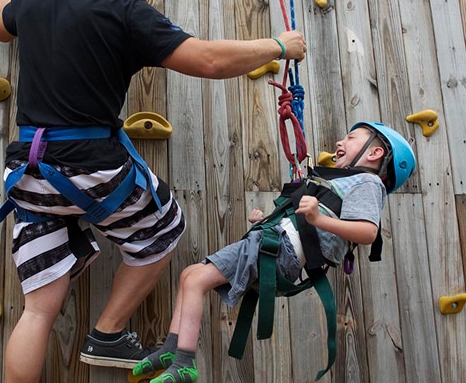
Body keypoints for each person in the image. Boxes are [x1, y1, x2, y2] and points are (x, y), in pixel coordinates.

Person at [0, 0, 307, 383]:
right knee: (166, 227)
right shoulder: (125, 13)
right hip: (91, 166)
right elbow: (210, 59)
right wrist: (279, 45)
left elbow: (0, 26)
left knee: (37, 310)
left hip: (29, 174)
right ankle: (108, 332)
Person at [132, 122, 416, 383]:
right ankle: (171, 349)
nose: (340, 143)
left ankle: (184, 363)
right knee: (188, 275)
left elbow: (368, 232)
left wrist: (319, 219)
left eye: (351, 138)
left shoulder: (368, 183)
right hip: (273, 241)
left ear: (375, 152)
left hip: (280, 251)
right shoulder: (342, 182)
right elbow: (302, 223)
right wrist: (265, 220)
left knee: (196, 281)